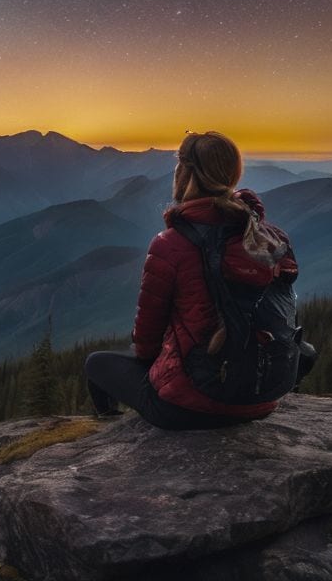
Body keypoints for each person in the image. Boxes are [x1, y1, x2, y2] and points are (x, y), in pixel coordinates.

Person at [84, 130, 305, 430]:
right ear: (232, 174)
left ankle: (107, 429)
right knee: (306, 351)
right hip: (262, 400)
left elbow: (146, 345)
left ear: (185, 173)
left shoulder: (170, 244)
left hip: (186, 408)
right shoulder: (269, 239)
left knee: (96, 363)